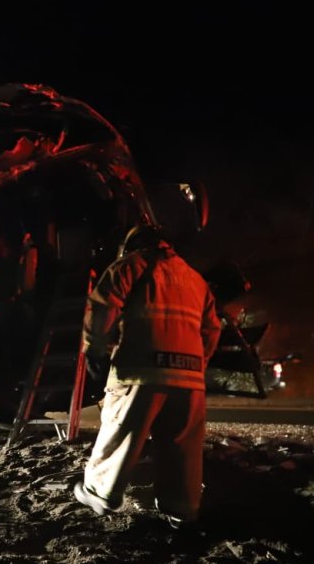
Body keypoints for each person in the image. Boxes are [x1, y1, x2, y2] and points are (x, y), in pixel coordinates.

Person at [72, 224, 222, 530]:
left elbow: (102, 308)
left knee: (121, 430)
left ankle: (100, 493)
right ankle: (182, 508)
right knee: (182, 444)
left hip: (139, 369)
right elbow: (211, 330)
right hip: (189, 375)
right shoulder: (195, 278)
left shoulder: (130, 266)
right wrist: (195, 365)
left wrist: (96, 351)